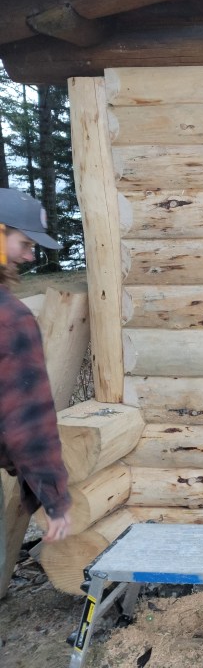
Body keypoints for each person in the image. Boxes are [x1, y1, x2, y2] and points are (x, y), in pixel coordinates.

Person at [0, 188, 72, 596]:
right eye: (25, 243)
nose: (30, 256)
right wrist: (53, 498)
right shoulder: (9, 318)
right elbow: (26, 422)